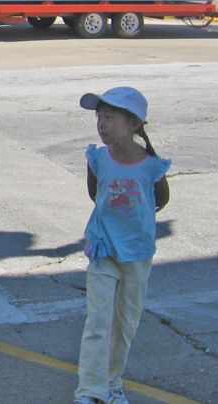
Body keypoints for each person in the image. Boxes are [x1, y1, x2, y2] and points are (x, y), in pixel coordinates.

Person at [73, 87, 170, 404]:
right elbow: (94, 193)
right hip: (103, 251)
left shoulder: (150, 165)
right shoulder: (97, 158)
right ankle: (89, 390)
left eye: (110, 117)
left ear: (133, 124)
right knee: (97, 323)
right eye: (99, 117)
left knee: (124, 325)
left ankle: (113, 385)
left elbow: (162, 200)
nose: (101, 124)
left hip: (138, 255)